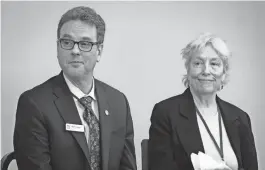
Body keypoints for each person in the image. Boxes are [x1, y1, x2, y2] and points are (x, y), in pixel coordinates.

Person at [13, 6, 137, 170]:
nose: (75, 50)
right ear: (58, 48)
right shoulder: (34, 104)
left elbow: (127, 166)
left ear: (99, 51)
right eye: (67, 42)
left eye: (85, 43)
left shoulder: (118, 101)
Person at [148, 32, 258, 170]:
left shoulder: (240, 117)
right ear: (188, 70)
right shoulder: (166, 113)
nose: (206, 71)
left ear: (223, 74)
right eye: (198, 63)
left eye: (214, 64)